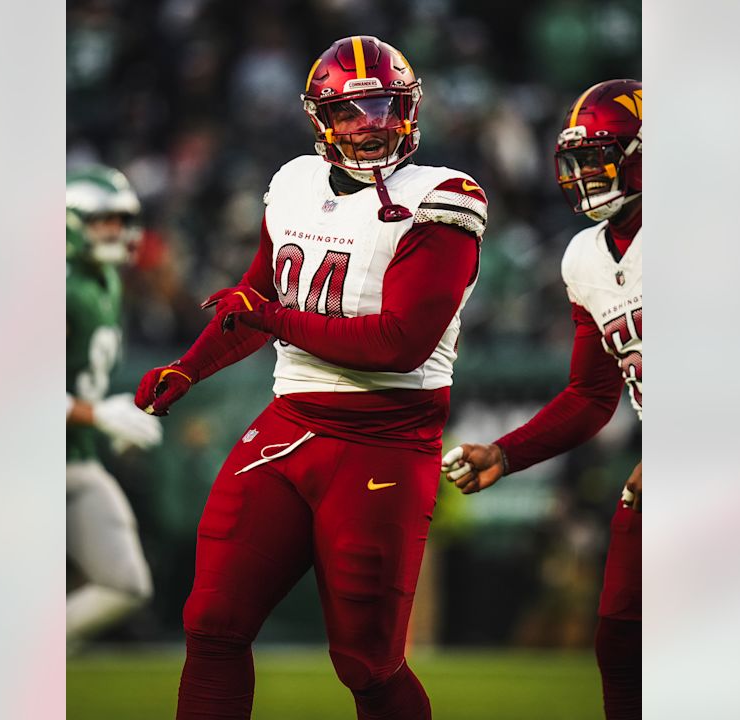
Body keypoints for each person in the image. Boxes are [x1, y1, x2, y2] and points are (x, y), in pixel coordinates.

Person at [134, 36, 487, 720]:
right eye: (350, 111)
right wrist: (189, 367)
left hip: (385, 439)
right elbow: (256, 294)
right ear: (321, 118)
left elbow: (400, 344)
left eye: (384, 106)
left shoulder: (442, 197)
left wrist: (269, 316)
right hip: (290, 424)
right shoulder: (295, 181)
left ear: (410, 110)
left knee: (367, 664)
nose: (371, 124)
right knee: (212, 624)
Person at [441, 79, 643, 720]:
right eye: (578, 161)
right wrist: (506, 454)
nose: (585, 175)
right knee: (620, 640)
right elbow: (591, 395)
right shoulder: (585, 258)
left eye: (600, 157)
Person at [65, 167, 164, 649]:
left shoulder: (105, 280)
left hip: (75, 458)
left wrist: (107, 418)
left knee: (124, 584)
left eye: (121, 220)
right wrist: (98, 415)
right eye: (102, 220)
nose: (115, 231)